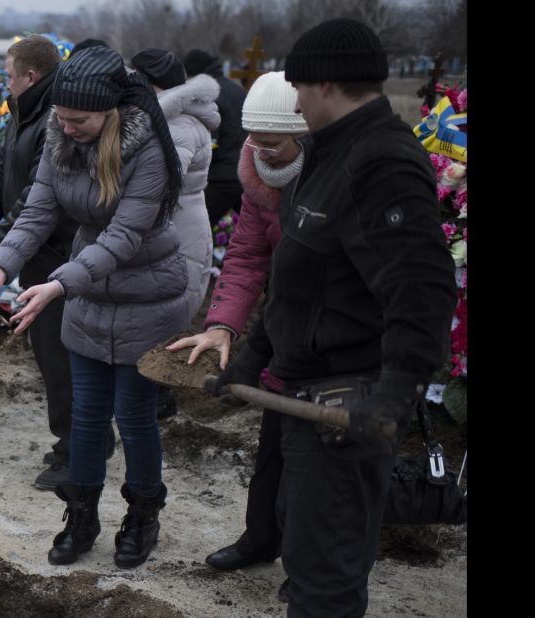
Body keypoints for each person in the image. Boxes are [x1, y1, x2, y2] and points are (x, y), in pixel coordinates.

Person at [214, 19, 456, 616]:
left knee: (326, 577)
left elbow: (422, 289)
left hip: (348, 401)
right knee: (304, 549)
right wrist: (248, 362)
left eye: (297, 87)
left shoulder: (383, 162)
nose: (293, 102)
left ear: (325, 83)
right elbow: (295, 279)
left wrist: (395, 396)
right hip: (305, 390)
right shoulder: (325, 156)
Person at [0, 46, 189, 569]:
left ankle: (143, 516)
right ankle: (81, 516)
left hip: (145, 298)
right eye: (60, 117)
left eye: (77, 119)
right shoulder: (59, 137)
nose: (66, 127)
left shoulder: (146, 149)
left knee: (133, 416)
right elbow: (37, 211)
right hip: (86, 291)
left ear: (109, 112)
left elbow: (125, 236)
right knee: (85, 417)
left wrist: (59, 286)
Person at [165, 71, 308, 595]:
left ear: (304, 133)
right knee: (272, 444)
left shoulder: (328, 178)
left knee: (314, 460)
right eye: (254, 141)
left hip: (334, 331)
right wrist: (222, 324)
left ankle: (307, 566)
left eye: (272, 143)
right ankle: (260, 539)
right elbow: (247, 255)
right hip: (284, 325)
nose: (261, 152)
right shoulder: (258, 176)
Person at [0, 35, 99, 491]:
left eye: (8, 74)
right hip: (32, 253)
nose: (4, 81)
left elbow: (37, 199)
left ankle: (77, 452)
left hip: (56, 255)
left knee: (61, 358)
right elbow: (1, 173)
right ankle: (79, 441)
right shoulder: (24, 111)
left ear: (30, 76)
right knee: (51, 356)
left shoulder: (57, 120)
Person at [130, 48, 219, 416]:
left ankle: (159, 400)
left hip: (179, 232)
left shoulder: (178, 126)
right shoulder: (165, 119)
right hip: (174, 224)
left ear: (153, 87)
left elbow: (162, 180)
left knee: (166, 316)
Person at [182, 49, 247, 227]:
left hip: (220, 178)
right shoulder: (236, 89)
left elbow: (210, 143)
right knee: (255, 231)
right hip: (245, 174)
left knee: (196, 228)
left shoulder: (208, 95)